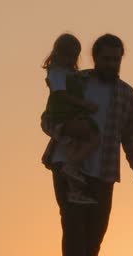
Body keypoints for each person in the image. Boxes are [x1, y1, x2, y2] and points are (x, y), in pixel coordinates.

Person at [41, 34, 133, 256]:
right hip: (68, 167)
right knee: (73, 226)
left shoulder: (127, 95)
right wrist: (66, 129)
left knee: (96, 231)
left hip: (104, 171)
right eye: (107, 59)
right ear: (95, 58)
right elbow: (48, 118)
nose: (112, 64)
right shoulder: (75, 81)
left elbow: (132, 135)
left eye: (116, 59)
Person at [42, 33, 99, 205]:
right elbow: (61, 95)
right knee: (93, 135)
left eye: (74, 56)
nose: (71, 59)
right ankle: (71, 166)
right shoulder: (57, 72)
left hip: (68, 115)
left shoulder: (69, 73)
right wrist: (84, 104)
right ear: (59, 53)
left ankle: (75, 189)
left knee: (75, 143)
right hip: (62, 114)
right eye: (68, 55)